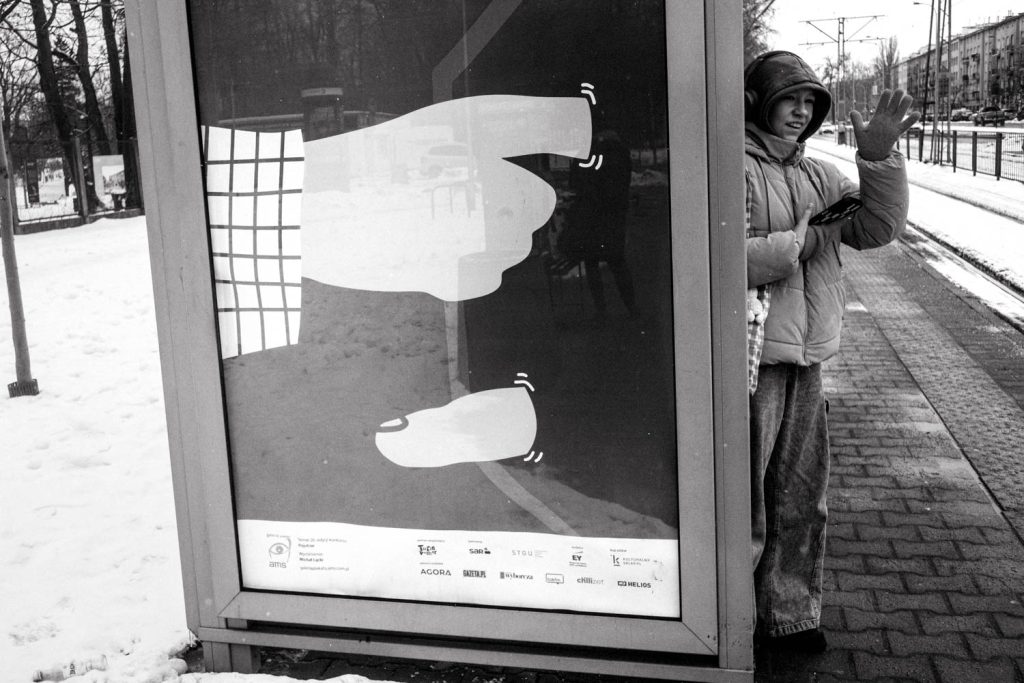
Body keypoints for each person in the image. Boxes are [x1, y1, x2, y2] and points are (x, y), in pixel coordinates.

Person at [743, 51, 919, 652]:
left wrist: (879, 159)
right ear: (758, 102)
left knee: (800, 494)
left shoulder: (820, 174)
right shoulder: (730, 167)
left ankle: (788, 615)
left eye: (809, 102)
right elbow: (723, 256)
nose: (800, 112)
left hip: (809, 357)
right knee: (746, 498)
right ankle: (735, 621)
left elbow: (876, 229)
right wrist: (801, 241)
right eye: (788, 99)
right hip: (753, 360)